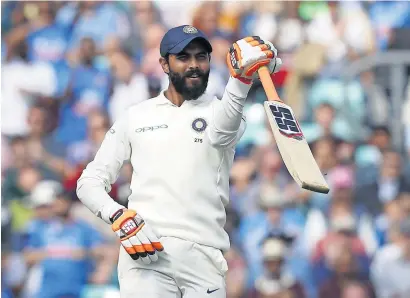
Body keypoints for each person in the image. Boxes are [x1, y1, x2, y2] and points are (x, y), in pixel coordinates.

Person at [76, 24, 282, 298]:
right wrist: (118, 216)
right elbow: (89, 183)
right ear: (164, 64)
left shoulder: (224, 112)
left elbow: (221, 133)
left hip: (205, 256)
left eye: (201, 57)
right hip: (147, 253)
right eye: (183, 57)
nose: (194, 65)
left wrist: (241, 79)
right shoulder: (136, 116)